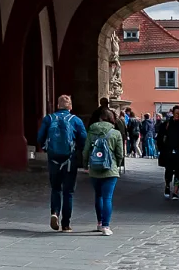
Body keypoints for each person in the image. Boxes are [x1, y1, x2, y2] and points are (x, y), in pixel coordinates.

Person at [36, 94, 87, 232]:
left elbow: (40, 137)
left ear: (57, 106)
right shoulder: (76, 120)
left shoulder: (49, 119)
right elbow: (83, 139)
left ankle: (54, 213)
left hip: (53, 159)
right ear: (70, 106)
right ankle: (66, 224)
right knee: (68, 192)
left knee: (55, 188)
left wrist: (46, 148)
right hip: (70, 160)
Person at [84, 107, 126, 235]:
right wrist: (116, 165)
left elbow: (86, 150)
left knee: (98, 196)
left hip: (95, 168)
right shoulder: (115, 133)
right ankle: (106, 227)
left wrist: (86, 164)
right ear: (112, 119)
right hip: (110, 169)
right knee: (107, 198)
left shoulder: (92, 131)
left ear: (100, 118)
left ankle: (99, 223)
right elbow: (120, 154)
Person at [157, 104, 179, 200]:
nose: (177, 115)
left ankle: (176, 191)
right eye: (176, 113)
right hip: (168, 152)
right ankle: (167, 185)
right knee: (168, 171)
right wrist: (161, 149)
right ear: (173, 113)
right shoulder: (166, 124)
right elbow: (160, 138)